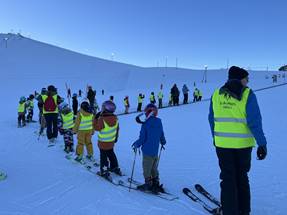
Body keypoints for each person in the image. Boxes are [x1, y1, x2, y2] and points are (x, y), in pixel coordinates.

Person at [208, 66, 267, 215]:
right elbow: (255, 121)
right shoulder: (248, 94)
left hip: (222, 145)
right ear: (241, 79)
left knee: (228, 179)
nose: (248, 82)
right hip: (243, 145)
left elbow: (211, 119)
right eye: (247, 79)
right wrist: (262, 143)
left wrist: (215, 137)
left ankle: (229, 211)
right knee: (242, 177)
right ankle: (244, 210)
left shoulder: (216, 94)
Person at [132, 103, 166, 193]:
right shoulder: (159, 121)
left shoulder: (145, 124)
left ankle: (148, 183)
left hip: (147, 151)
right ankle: (156, 181)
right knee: (154, 167)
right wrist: (163, 141)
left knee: (147, 167)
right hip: (155, 150)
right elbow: (161, 134)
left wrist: (136, 144)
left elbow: (143, 138)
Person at [94, 100, 121, 176]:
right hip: (111, 141)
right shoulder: (115, 118)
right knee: (111, 153)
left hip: (103, 142)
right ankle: (115, 167)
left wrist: (95, 119)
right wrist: (116, 138)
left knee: (103, 156)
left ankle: (104, 171)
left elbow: (96, 128)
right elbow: (117, 129)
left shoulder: (102, 119)